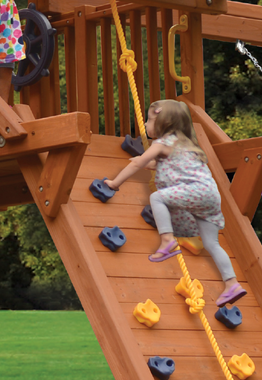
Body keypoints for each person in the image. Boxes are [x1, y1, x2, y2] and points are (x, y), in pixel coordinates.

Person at [95, 99, 247, 307]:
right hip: (209, 196)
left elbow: (139, 163)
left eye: (149, 120)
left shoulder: (162, 143)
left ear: (162, 123)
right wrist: (146, 164)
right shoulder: (187, 145)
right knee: (212, 244)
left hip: (195, 191)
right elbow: (166, 166)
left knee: (157, 197)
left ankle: (167, 240)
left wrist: (114, 183)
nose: (146, 124)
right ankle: (232, 284)